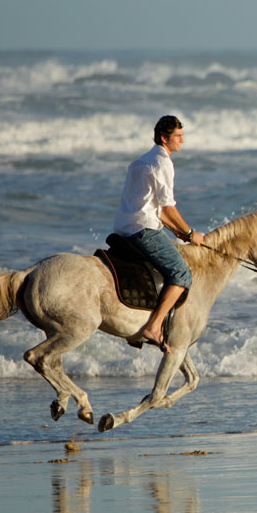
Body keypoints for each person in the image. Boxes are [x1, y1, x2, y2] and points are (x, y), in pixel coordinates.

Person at [113, 115, 205, 352]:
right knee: (181, 273)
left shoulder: (139, 162)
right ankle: (153, 326)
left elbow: (159, 212)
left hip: (124, 229)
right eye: (178, 136)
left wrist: (179, 233)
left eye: (182, 135)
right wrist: (191, 233)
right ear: (164, 138)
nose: (182, 141)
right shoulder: (163, 162)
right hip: (143, 230)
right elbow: (168, 208)